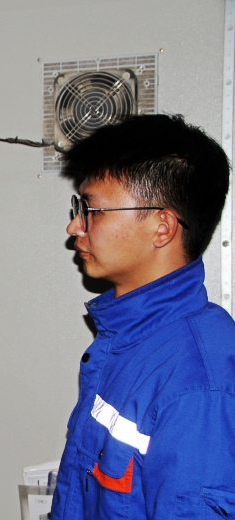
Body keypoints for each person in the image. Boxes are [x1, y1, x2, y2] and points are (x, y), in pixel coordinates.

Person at [52, 114, 235, 519]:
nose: (74, 226)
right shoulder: (129, 342)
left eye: (92, 209)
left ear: (161, 227)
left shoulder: (198, 385)